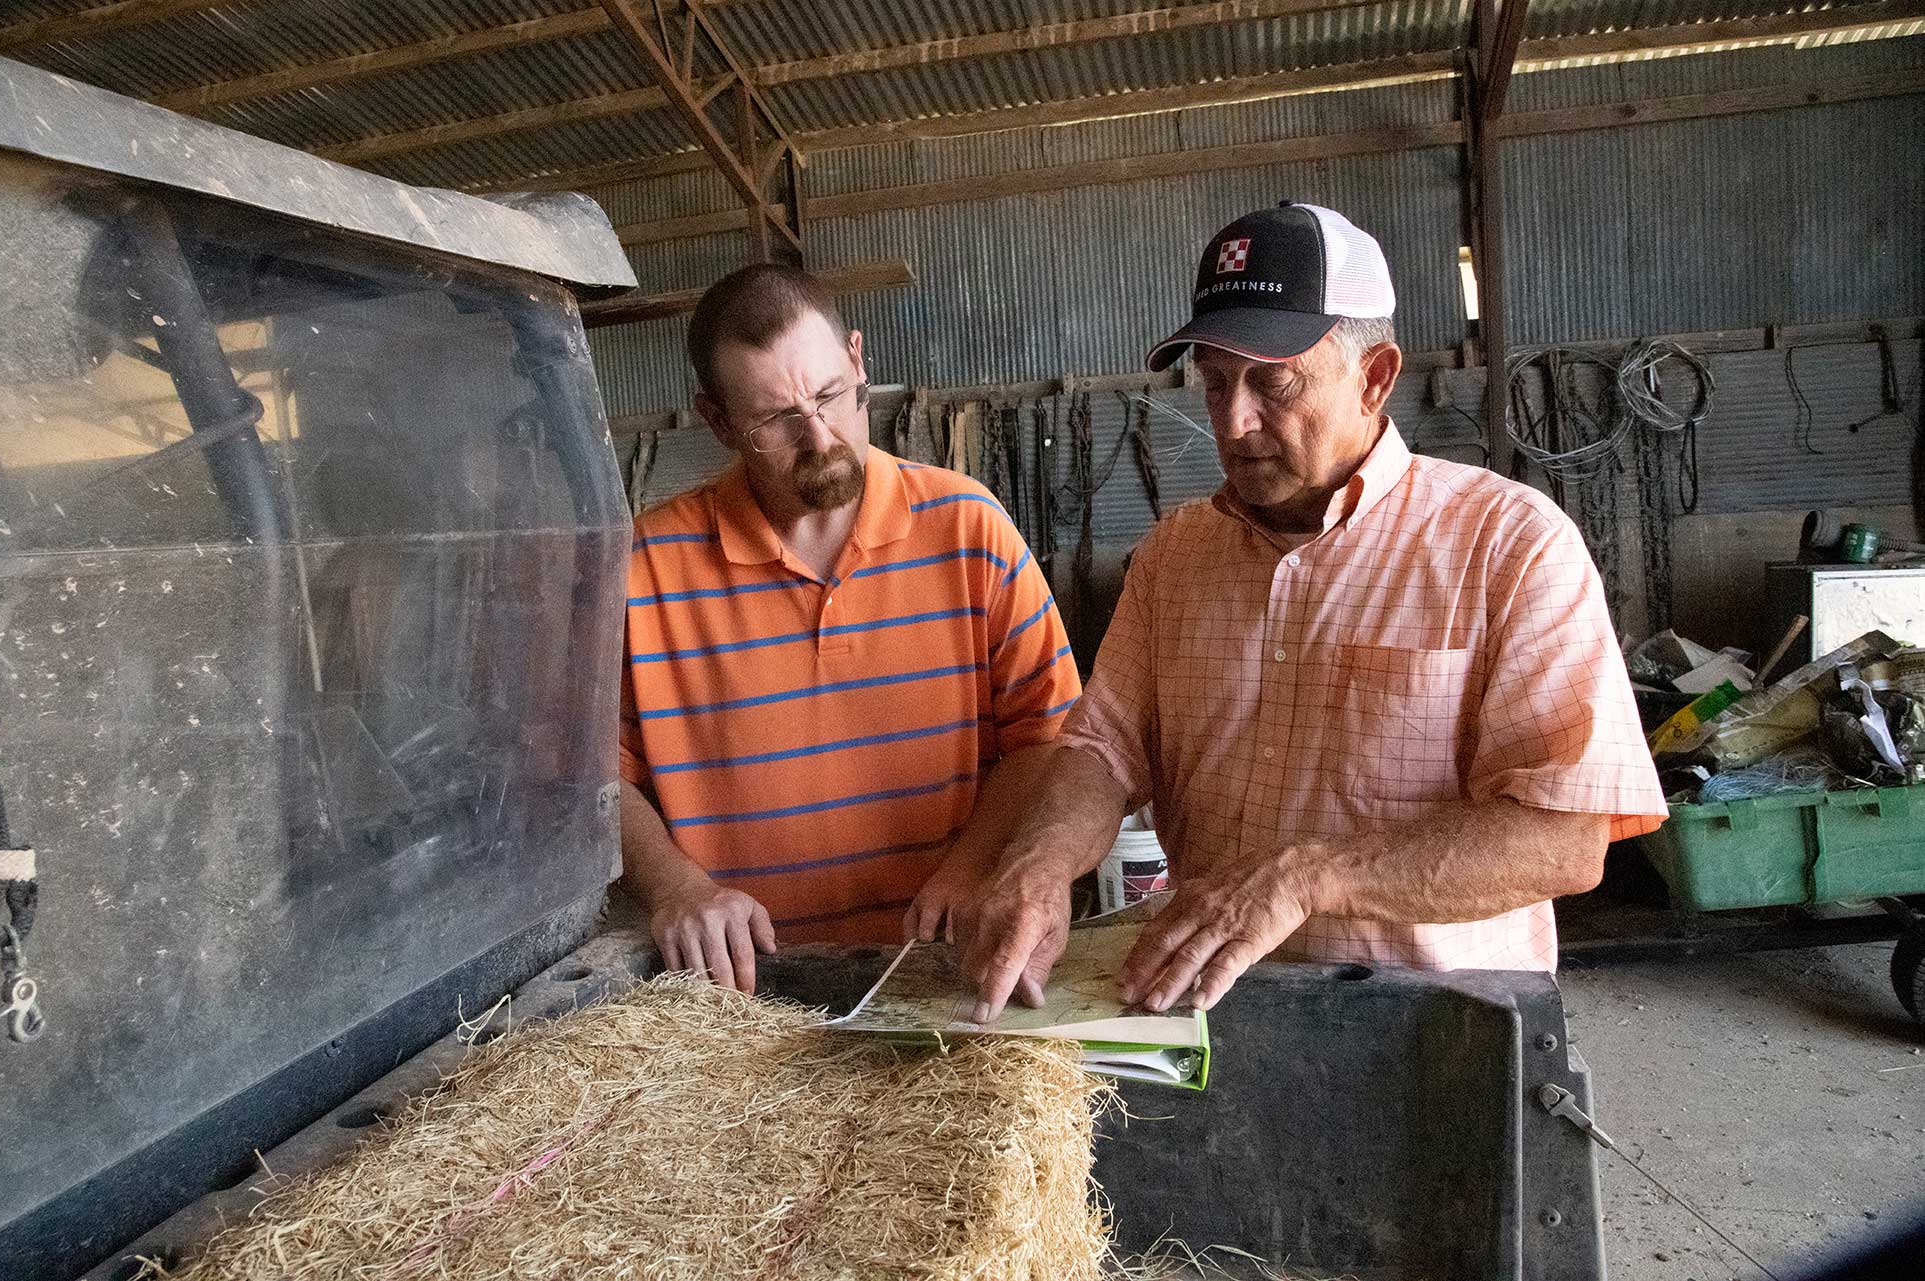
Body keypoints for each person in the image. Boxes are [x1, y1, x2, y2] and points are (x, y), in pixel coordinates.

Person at [959, 203, 1666, 1021]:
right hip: (1210, 1017)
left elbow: (1565, 838)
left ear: (1373, 378)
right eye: (1214, 382)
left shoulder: (1509, 547)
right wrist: (1039, 864)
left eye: (1274, 380)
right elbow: (1101, 751)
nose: (1232, 421)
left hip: (1436, 1031)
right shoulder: (1173, 558)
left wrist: (1306, 876)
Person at [619, 263, 1079, 992]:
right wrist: (676, 888)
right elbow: (591, 779)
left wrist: (969, 867)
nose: (821, 435)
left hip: (938, 972)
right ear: (716, 420)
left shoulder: (970, 529)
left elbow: (1045, 736)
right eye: (775, 418)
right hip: (742, 995)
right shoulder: (644, 567)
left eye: (832, 394)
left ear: (859, 360)